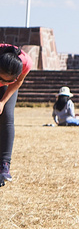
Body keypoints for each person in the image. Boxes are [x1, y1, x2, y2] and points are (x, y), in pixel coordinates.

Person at [0, 43, 33, 185]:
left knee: (7, 116)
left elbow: (18, 82)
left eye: (8, 80)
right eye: (1, 79)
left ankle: (4, 165)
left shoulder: (26, 63)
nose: (3, 82)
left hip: (10, 87)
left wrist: (2, 102)